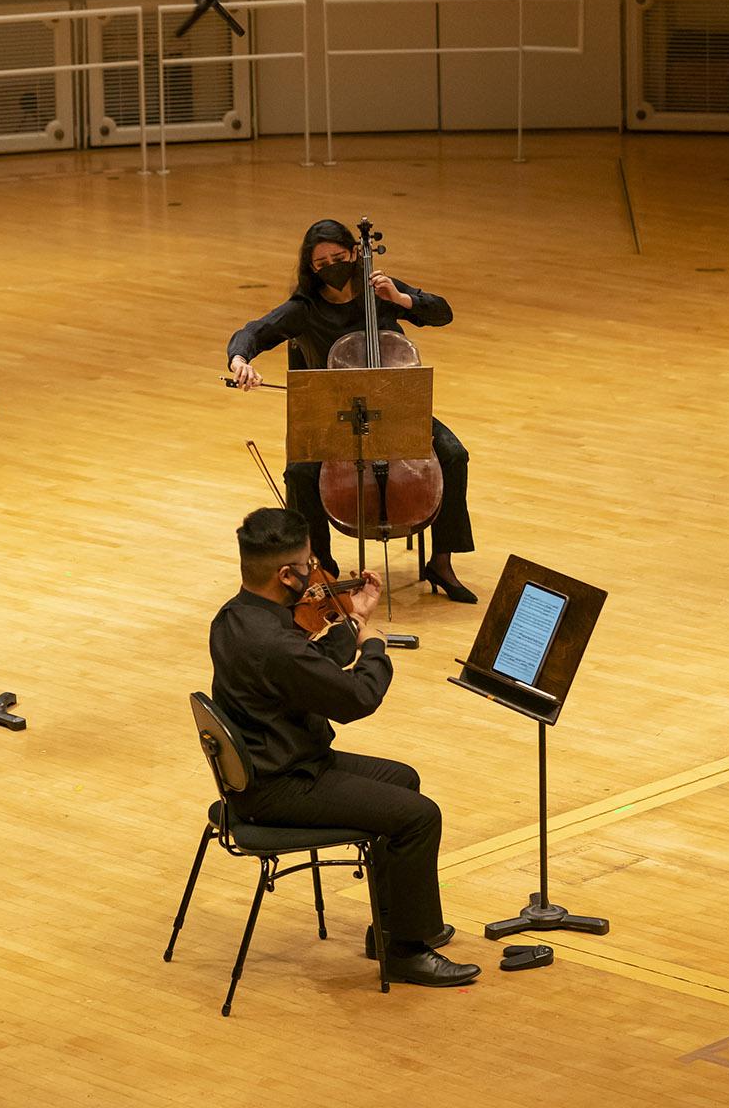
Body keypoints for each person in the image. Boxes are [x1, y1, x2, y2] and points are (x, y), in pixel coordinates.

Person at [207, 506, 480, 987]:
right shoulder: (276, 644)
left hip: (271, 764)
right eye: (310, 565)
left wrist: (354, 621)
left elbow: (307, 666)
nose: (319, 574)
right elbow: (356, 699)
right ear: (287, 575)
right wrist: (374, 644)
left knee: (403, 780)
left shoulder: (234, 618)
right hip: (282, 786)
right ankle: (405, 953)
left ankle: (396, 925)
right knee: (420, 815)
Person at [227, 218, 479, 603]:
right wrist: (240, 361)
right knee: (299, 472)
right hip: (335, 416)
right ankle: (321, 566)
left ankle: (441, 561)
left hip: (395, 407)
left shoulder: (380, 290)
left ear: (356, 253)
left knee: (453, 454)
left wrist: (400, 298)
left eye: (338, 257)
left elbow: (442, 313)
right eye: (321, 263)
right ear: (311, 268)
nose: (332, 267)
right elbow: (253, 332)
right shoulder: (305, 308)